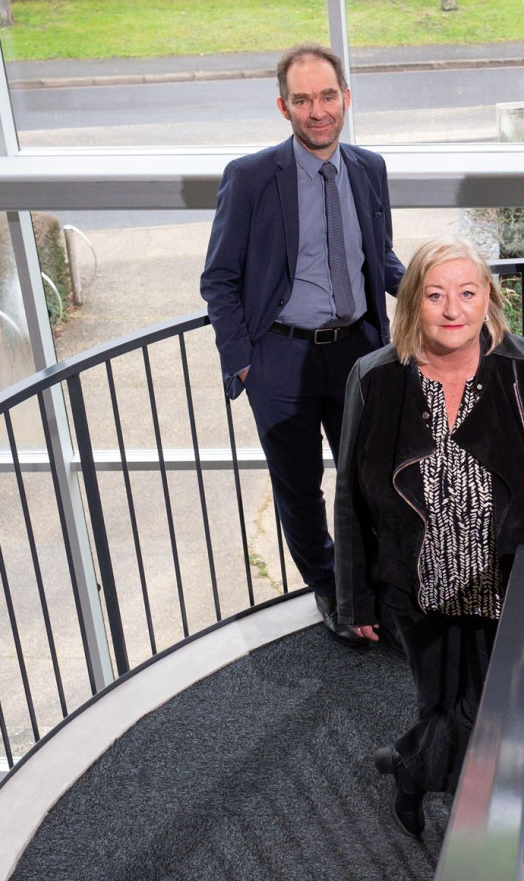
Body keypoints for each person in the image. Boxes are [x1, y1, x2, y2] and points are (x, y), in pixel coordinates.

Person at [332, 236, 524, 838]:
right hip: (415, 583)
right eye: (435, 295)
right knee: (442, 707)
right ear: (412, 305)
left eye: (467, 293)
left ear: (488, 301)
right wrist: (356, 598)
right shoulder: (373, 379)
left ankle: (444, 794)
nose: (452, 310)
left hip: (507, 576)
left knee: (492, 717)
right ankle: (414, 767)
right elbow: (350, 492)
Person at [200, 44, 405, 647]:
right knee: (297, 487)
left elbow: (381, 257)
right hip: (280, 360)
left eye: (327, 96)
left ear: (346, 97)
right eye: (302, 99)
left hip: (358, 353)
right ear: (283, 106)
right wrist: (243, 363)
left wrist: (434, 290)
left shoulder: (368, 168)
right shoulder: (252, 177)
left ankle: (366, 583)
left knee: (368, 479)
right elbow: (220, 278)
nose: (317, 111)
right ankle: (331, 590)